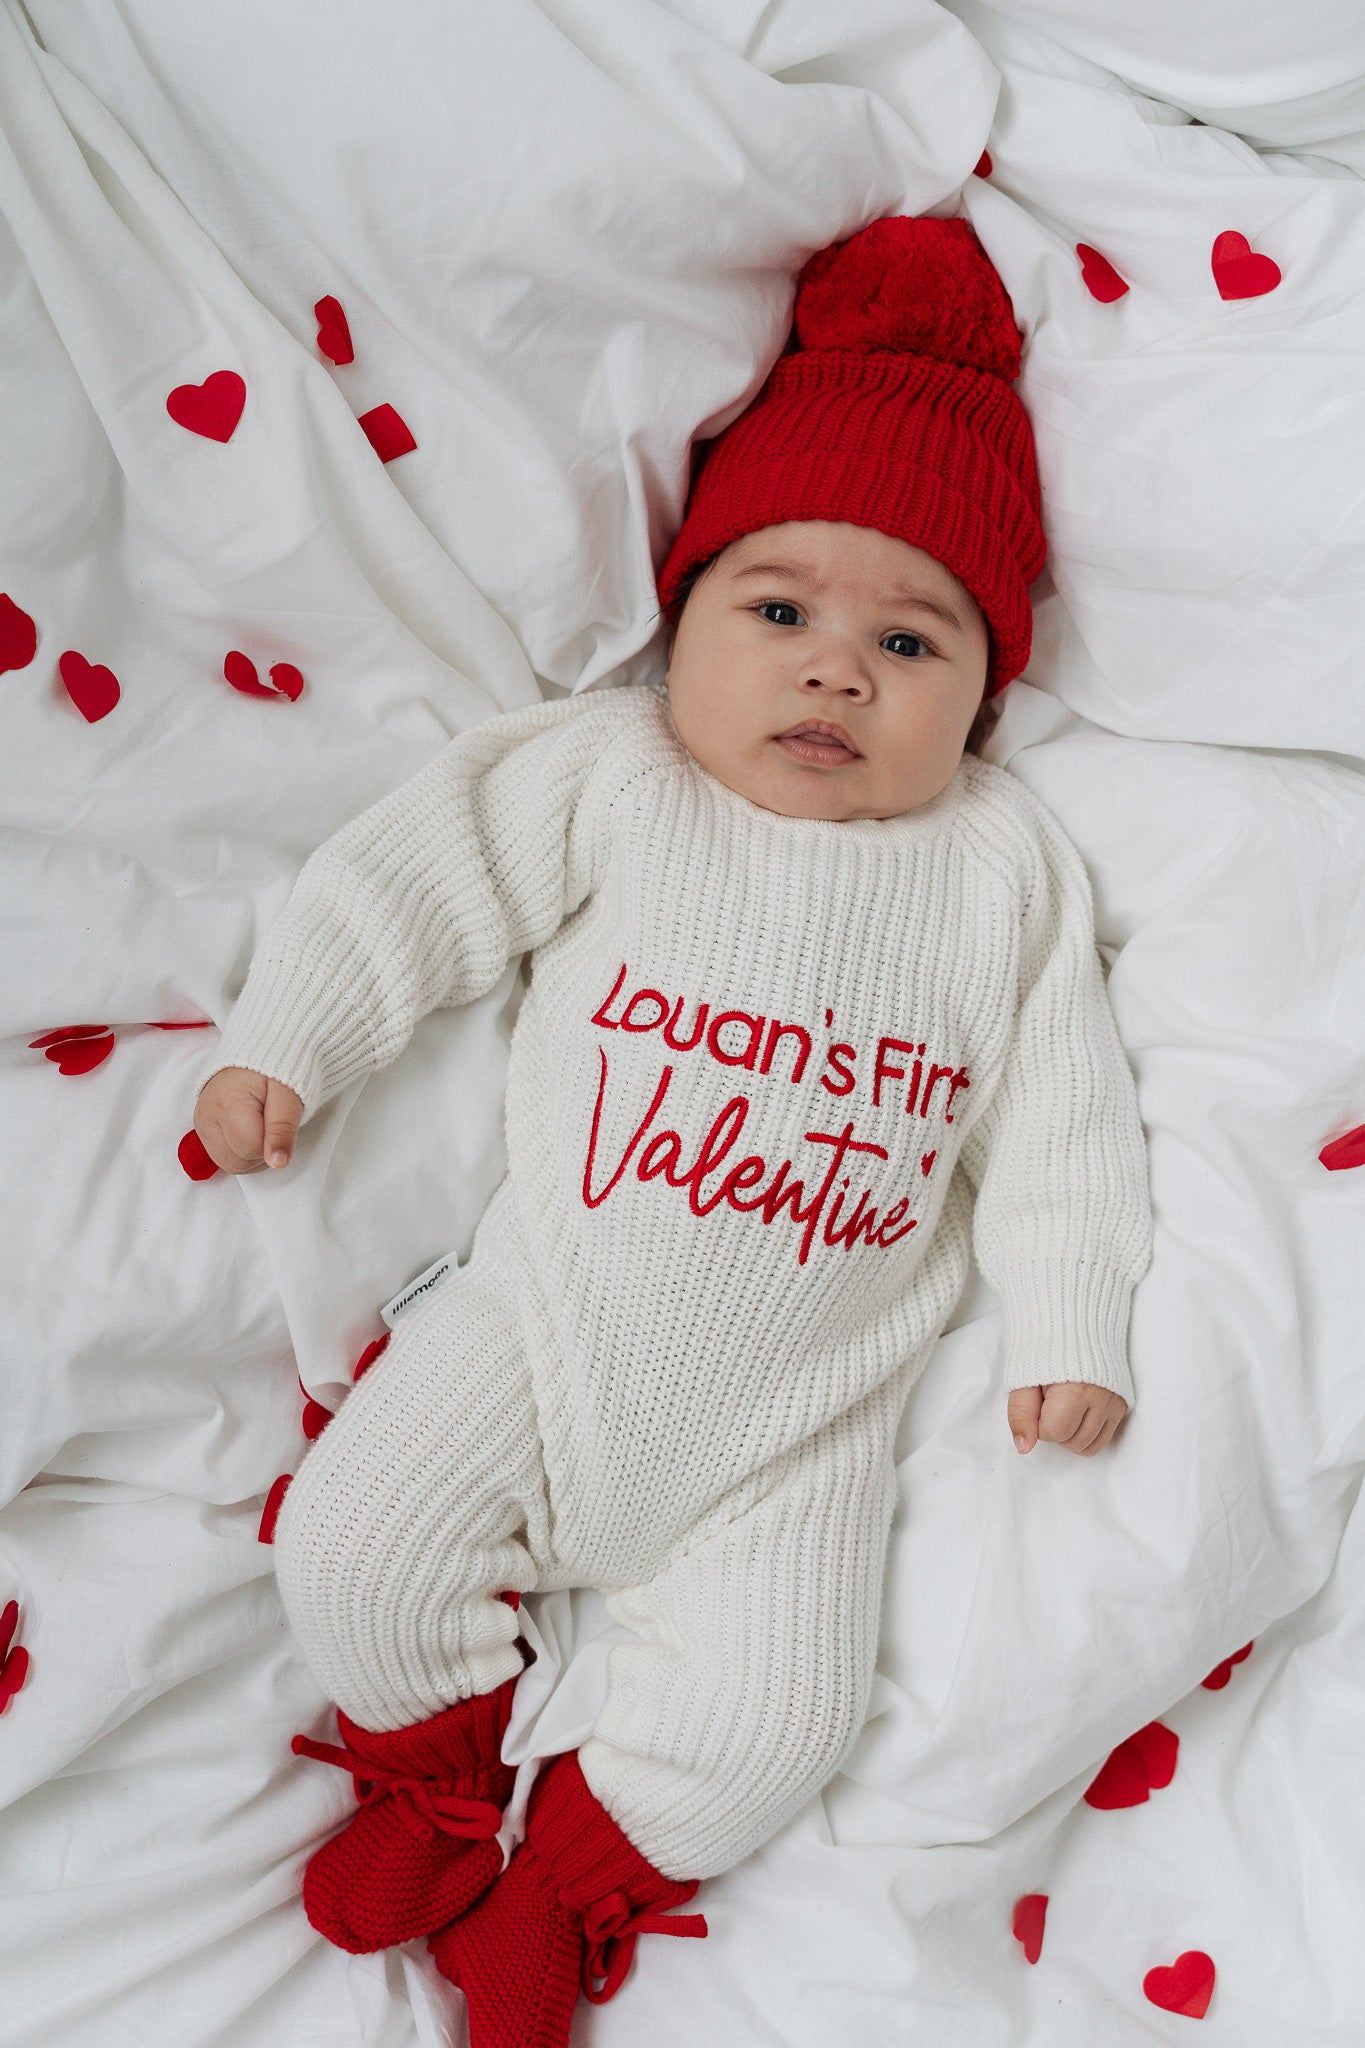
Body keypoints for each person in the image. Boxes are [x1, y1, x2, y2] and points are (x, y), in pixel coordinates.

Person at [193, 215, 1153, 2048]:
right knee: (354, 1549)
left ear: (987, 690)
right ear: (682, 617)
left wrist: (1071, 1322)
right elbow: (414, 882)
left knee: (771, 1729)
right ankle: (438, 1788)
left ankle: (562, 1894)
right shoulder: (614, 774)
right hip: (544, 1331)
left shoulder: (999, 867)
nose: (835, 671)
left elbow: (1062, 1120)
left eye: (909, 638)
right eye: (775, 612)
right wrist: (292, 1042)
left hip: (802, 1425)